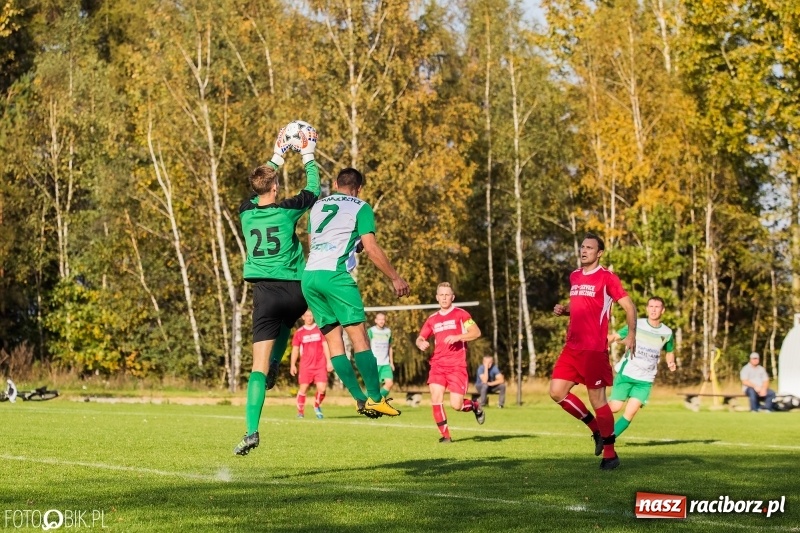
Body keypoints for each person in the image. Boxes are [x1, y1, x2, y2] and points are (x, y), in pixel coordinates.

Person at [233, 125, 319, 456]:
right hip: (297, 291)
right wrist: (306, 153)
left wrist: (277, 156)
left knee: (256, 368)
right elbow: (313, 188)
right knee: (286, 323)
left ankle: (251, 431)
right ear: (277, 187)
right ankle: (276, 362)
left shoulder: (245, 211)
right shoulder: (287, 209)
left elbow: (260, 185)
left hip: (266, 294)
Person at [301, 167, 409, 418]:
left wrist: (351, 243)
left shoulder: (316, 207)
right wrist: (395, 277)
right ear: (359, 188)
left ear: (336, 183)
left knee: (334, 343)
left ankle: (359, 398)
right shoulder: (361, 207)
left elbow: (314, 242)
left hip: (310, 276)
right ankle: (374, 397)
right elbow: (371, 248)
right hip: (335, 276)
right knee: (360, 339)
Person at [551, 232, 637, 471]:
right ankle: (596, 429)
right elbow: (581, 307)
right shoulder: (575, 276)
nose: (584, 250)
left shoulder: (607, 278)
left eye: (589, 248)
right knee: (557, 392)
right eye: (582, 247)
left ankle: (610, 454)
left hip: (593, 349)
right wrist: (565, 310)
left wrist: (631, 334)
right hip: (572, 347)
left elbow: (629, 306)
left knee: (598, 400)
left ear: (599, 253)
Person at [415, 282, 484, 443]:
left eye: (447, 295)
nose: (444, 297)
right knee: (436, 398)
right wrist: (420, 343)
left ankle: (474, 406)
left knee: (456, 405)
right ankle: (446, 436)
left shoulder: (461, 314)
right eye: (441, 295)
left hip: (457, 366)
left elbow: (476, 332)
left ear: (452, 297)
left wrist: (459, 336)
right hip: (437, 365)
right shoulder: (432, 319)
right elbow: (421, 337)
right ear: (437, 297)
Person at [607, 296, 676, 437]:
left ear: (663, 310)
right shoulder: (637, 325)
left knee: (630, 413)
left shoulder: (667, 332)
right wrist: (604, 342)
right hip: (627, 373)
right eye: (651, 306)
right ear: (647, 309)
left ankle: (607, 440)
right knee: (614, 408)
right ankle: (597, 423)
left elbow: (669, 351)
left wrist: (671, 362)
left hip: (645, 380)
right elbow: (615, 336)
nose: (653, 310)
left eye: (657, 307)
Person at [290, 309, 333, 419]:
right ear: (303, 317)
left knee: (322, 389)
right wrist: (292, 365)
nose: (309, 318)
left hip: (320, 364)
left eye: (311, 316)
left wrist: (329, 361)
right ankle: (300, 412)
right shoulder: (299, 333)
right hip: (306, 366)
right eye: (307, 316)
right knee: (303, 388)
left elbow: (325, 345)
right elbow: (295, 350)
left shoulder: (319, 330)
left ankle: (317, 405)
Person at [368, 313, 395, 398]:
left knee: (389, 383)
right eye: (379, 319)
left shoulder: (388, 331)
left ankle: (377, 400)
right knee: (373, 387)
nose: (381, 321)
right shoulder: (371, 331)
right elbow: (366, 346)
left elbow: (390, 347)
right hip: (374, 363)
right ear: (376, 320)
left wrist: (391, 362)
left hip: (385, 363)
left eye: (383, 319)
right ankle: (364, 402)